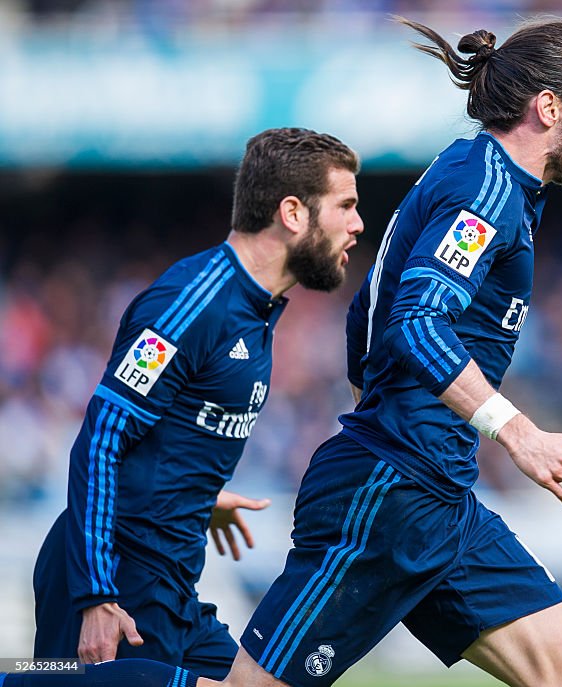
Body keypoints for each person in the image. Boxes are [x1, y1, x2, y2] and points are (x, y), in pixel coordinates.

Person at [3, 14, 562, 687]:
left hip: (433, 487)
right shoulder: (485, 191)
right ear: (548, 107)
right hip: (390, 491)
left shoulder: (478, 180)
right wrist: (515, 432)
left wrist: (194, 488)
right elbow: (411, 320)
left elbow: (370, 315)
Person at [29, 128, 364, 680]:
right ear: (293, 213)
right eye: (345, 205)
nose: (356, 224)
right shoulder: (192, 304)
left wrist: (195, 494)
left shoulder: (257, 312)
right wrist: (95, 595)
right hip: (118, 579)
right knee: (44, 679)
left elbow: (164, 434)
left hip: (170, 584)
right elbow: (101, 439)